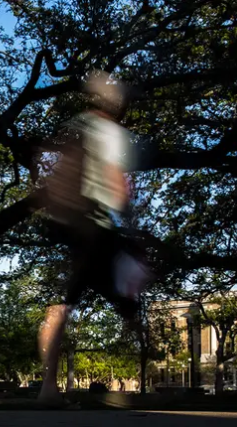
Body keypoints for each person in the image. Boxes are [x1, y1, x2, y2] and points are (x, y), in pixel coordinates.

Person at [36, 71, 149, 406]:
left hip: (67, 222)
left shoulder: (77, 124)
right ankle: (143, 366)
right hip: (95, 224)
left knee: (65, 302)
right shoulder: (110, 132)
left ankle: (47, 388)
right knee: (130, 286)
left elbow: (54, 168)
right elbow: (114, 181)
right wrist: (129, 219)